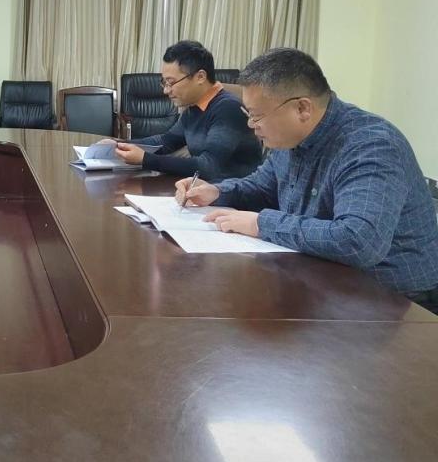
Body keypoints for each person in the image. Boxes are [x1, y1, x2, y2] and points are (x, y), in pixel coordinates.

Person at [177, 48, 438, 313]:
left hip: (396, 299)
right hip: (323, 275)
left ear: (302, 108)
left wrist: (260, 223)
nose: (251, 125)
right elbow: (262, 187)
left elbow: (359, 241)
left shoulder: (370, 146)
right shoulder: (290, 138)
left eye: (257, 116)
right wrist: (216, 191)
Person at [112, 40, 262, 181]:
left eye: (171, 82)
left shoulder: (228, 109)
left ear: (200, 77)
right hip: (204, 189)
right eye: (164, 83)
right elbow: (166, 142)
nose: (166, 90)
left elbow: (208, 166)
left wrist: (145, 159)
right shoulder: (194, 107)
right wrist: (118, 145)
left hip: (234, 194)